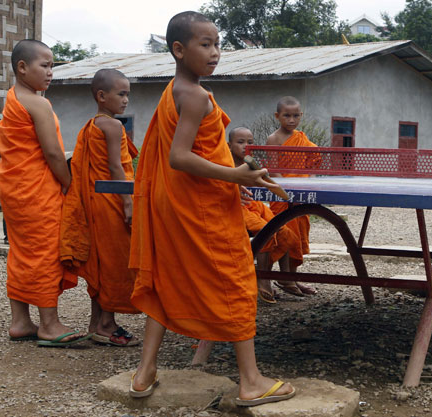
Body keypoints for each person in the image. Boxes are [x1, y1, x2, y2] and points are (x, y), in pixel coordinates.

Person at [128, 11, 295, 406]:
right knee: (237, 278)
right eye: (206, 45)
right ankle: (251, 380)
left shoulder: (174, 90)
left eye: (218, 44)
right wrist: (236, 177)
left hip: (177, 203)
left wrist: (241, 172)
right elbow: (179, 158)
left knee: (167, 278)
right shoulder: (196, 95)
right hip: (201, 208)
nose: (216, 52)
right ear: (179, 50)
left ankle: (144, 372)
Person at [0, 39, 89, 347]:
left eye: (52, 66)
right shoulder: (38, 103)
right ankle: (49, 324)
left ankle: (20, 321)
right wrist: (67, 183)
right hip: (36, 189)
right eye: (45, 66)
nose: (51, 72)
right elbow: (52, 153)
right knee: (44, 250)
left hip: (14, 187)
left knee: (22, 250)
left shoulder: (14, 98)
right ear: (22, 68)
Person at [60, 69, 140, 346]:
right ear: (102, 96)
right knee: (116, 263)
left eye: (128, 93)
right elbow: (118, 168)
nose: (126, 100)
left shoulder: (92, 125)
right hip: (113, 202)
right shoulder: (113, 126)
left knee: (102, 263)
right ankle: (106, 324)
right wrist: (128, 203)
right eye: (121, 94)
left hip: (95, 204)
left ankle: (98, 322)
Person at [228, 126, 299, 304]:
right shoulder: (224, 163)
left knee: (285, 231)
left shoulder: (252, 162)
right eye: (240, 142)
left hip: (255, 205)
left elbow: (266, 181)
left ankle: (285, 277)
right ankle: (263, 278)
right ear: (229, 145)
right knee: (265, 231)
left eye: (250, 142)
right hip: (236, 208)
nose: (245, 146)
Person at [266, 96, 319, 297]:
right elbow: (273, 169)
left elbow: (311, 162)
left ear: (301, 116)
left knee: (298, 237)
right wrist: (288, 192)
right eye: (287, 116)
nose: (291, 120)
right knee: (283, 237)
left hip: (300, 194)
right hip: (282, 195)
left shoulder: (301, 138)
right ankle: (278, 279)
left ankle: (291, 279)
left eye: (296, 116)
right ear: (277, 116)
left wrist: (308, 184)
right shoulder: (274, 139)